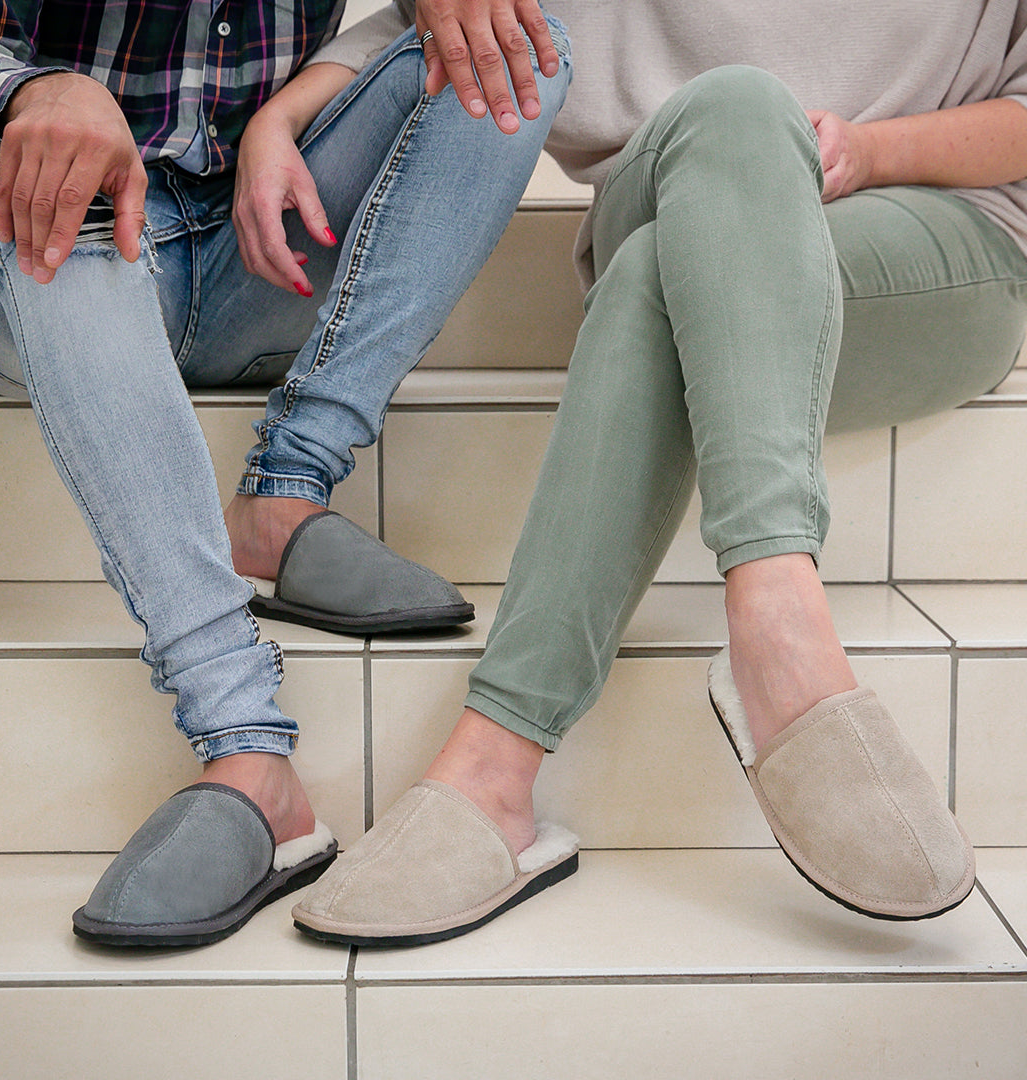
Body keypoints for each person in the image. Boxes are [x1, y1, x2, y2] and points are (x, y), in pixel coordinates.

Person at [292, 0, 1027, 946]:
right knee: (739, 107)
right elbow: (441, 22)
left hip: (933, 238)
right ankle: (781, 634)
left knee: (654, 277)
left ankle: (494, 766)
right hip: (679, 181)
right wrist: (282, 116)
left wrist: (871, 151)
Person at [0, 0, 571, 945]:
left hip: (257, 241)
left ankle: (286, 489)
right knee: (58, 180)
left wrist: (290, 112)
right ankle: (245, 746)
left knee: (516, 44)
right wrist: (36, 92)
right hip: (45, 246)